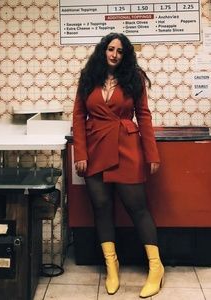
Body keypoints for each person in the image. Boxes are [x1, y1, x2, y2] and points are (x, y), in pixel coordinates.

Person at [72, 32, 164, 298]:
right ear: (103, 50)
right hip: (95, 147)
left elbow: (144, 116)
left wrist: (152, 154)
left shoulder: (134, 78)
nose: (114, 54)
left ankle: (156, 268)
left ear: (126, 55)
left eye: (120, 51)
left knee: (137, 208)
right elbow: (78, 115)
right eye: (110, 49)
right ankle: (112, 267)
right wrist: (81, 152)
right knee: (101, 207)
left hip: (127, 147)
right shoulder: (88, 77)